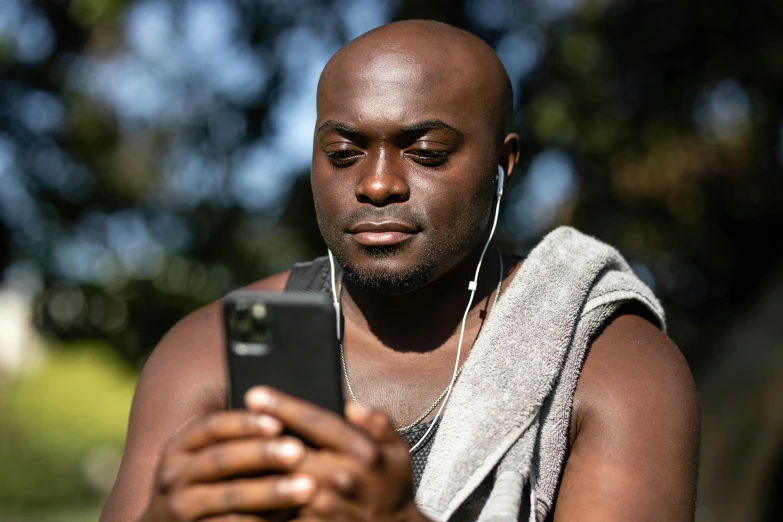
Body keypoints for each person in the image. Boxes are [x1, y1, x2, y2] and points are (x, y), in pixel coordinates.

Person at [100, 20, 699, 522]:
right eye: (343, 154)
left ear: (503, 165)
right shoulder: (213, 349)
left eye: (427, 153)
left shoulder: (610, 364)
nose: (377, 183)